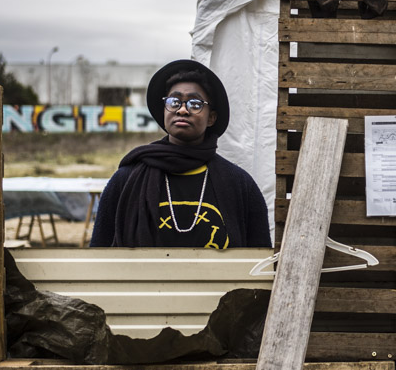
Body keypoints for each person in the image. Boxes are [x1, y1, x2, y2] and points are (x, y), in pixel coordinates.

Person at [90, 59, 271, 249]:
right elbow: (98, 255)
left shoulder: (240, 185)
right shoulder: (126, 180)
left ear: (211, 118)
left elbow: (259, 263)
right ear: (164, 110)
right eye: (174, 101)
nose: (182, 110)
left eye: (195, 103)